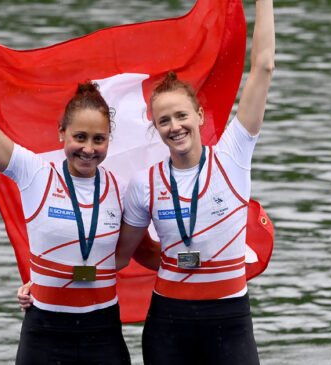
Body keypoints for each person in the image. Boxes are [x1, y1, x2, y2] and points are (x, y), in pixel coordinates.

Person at [0, 9, 132, 365]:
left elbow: (136, 252)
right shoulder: (34, 172)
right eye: (80, 137)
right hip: (45, 332)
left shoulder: (120, 188)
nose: (88, 148)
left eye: (98, 139)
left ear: (109, 140)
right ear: (61, 134)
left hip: (103, 333)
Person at [115, 0, 275, 364]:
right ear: (155, 128)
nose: (175, 126)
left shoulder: (234, 153)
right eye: (164, 120)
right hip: (169, 324)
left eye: (182, 115)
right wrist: (44, 285)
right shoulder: (145, 184)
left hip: (230, 321)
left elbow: (263, 67)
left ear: (200, 116)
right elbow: (118, 258)